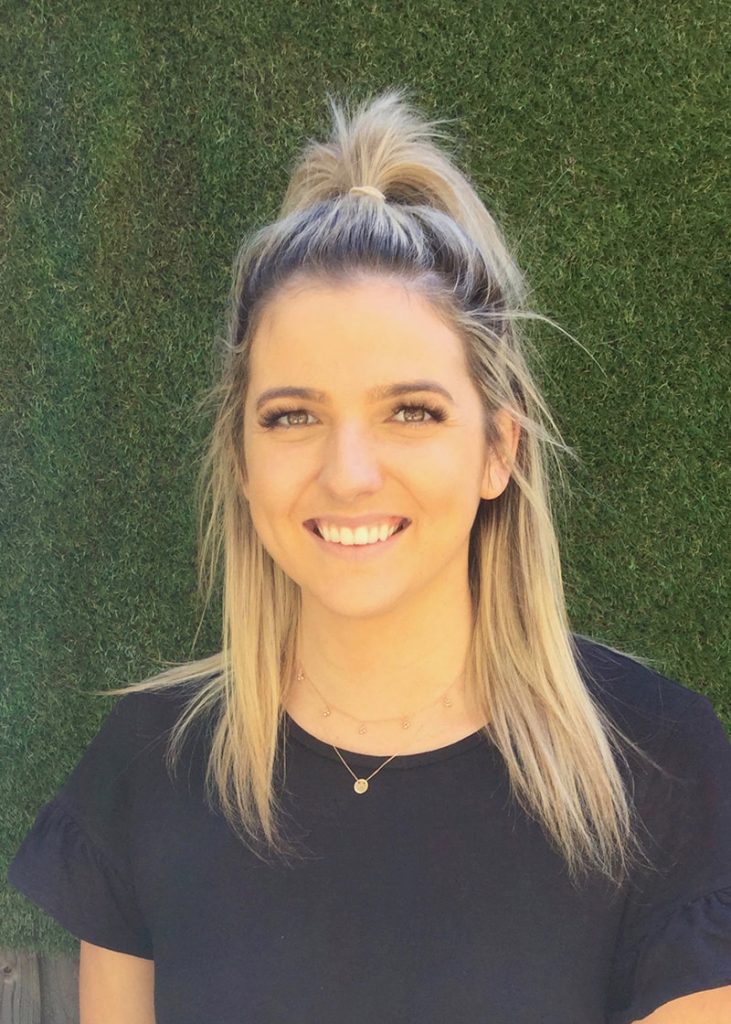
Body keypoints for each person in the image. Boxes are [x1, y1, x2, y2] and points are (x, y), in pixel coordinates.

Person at [6, 87, 731, 1024]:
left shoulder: (657, 768)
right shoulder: (150, 765)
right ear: (241, 458)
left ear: (498, 450)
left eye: (411, 412)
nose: (348, 474)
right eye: (292, 416)